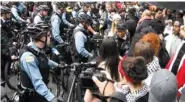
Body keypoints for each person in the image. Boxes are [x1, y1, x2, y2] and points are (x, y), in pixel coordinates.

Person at [19, 23, 63, 102]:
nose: (50, 37)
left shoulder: (36, 49)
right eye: (48, 35)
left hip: (40, 92)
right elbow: (37, 82)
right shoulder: (28, 57)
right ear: (42, 38)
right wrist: (52, 98)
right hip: (33, 97)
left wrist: (58, 65)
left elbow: (46, 60)